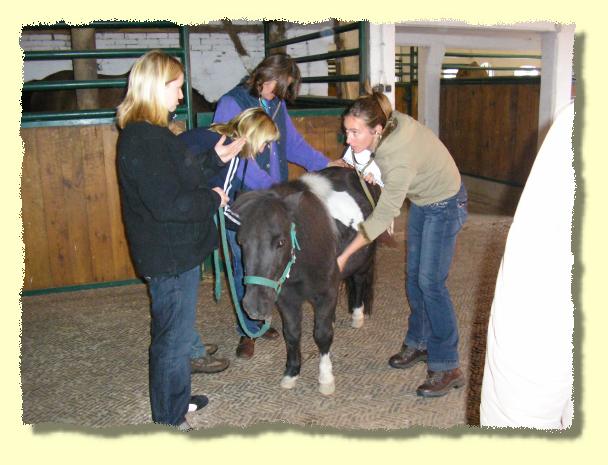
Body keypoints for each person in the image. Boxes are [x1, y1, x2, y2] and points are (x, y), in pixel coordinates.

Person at [115, 50, 245, 429]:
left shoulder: (153, 135)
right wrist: (213, 199)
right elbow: (169, 203)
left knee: (177, 334)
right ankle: (170, 420)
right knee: (171, 342)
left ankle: (176, 400)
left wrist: (216, 159)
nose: (181, 95)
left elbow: (179, 178)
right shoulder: (144, 140)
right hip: (169, 257)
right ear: (156, 88)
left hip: (176, 253)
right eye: (176, 87)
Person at [336, 91, 468, 398]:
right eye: (346, 131)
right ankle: (419, 342)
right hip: (423, 200)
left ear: (376, 130)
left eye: (354, 133)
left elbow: (383, 216)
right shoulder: (388, 122)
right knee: (414, 277)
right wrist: (369, 170)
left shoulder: (397, 156)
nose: (348, 139)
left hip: (446, 204)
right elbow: (383, 167)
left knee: (431, 283)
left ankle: (448, 364)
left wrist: (344, 254)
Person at [213, 53, 342, 359]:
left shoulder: (277, 105)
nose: (278, 93)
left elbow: (292, 144)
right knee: (246, 262)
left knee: (275, 260)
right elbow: (237, 157)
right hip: (243, 200)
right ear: (264, 76)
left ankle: (261, 314)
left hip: (272, 199)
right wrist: (275, 190)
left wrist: (325, 164)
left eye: (282, 88)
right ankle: (248, 330)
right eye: (276, 86)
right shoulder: (231, 103)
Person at [178, 107, 280, 369]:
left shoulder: (221, 137)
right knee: (235, 267)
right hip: (182, 215)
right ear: (254, 137)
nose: (265, 149)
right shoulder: (232, 153)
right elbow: (222, 208)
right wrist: (252, 228)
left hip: (179, 205)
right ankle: (245, 329)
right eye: (265, 143)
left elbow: (244, 184)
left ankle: (247, 327)